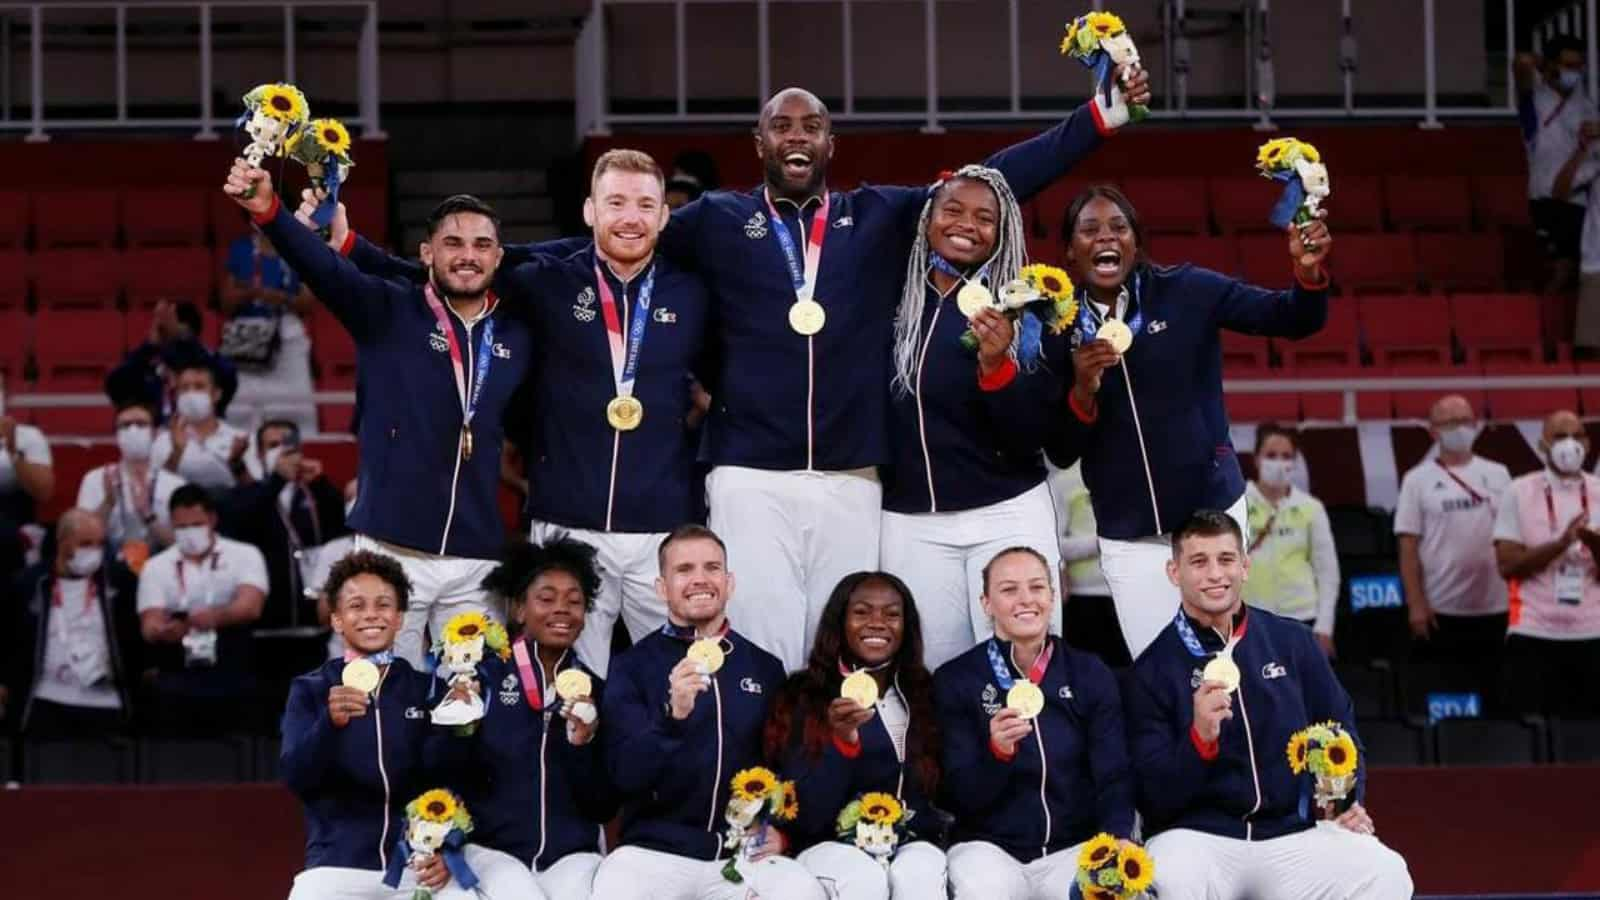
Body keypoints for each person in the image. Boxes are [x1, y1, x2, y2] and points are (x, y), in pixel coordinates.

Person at [329, 148, 713, 676]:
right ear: (589, 210)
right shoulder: (547, 276)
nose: (630, 218)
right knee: (567, 682)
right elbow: (445, 275)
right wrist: (353, 248)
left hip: (661, 524)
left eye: (645, 205)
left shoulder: (693, 292)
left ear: (665, 215)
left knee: (677, 675)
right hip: (566, 525)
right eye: (616, 202)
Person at [223, 162, 535, 667]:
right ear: (426, 254)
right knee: (383, 700)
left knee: (475, 707)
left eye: (482, 245)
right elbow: (323, 270)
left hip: (477, 559)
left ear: (500, 257)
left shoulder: (518, 335)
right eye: (453, 244)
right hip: (391, 551)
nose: (468, 256)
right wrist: (269, 211)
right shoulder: (387, 311)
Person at [1048, 185, 1332, 660]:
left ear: (1137, 243)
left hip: (1210, 513)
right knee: (1159, 671)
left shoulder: (1187, 291)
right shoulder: (1054, 325)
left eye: (1119, 227)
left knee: (1222, 663)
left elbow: (1291, 318)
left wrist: (1307, 271)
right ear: (1069, 251)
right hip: (1127, 528)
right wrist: (1082, 390)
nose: (1106, 238)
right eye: (1090, 229)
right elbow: (1060, 449)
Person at [1125, 510, 1412, 900]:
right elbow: (1152, 795)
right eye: (1199, 562)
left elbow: (1341, 732)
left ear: (1245, 566)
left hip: (1290, 835)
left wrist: (1345, 801)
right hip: (1199, 841)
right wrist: (1199, 740)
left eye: (1226, 560)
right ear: (1174, 573)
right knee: (1169, 878)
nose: (1215, 574)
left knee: (1385, 871)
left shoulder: (1292, 642)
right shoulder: (1152, 670)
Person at [879, 165, 1068, 669]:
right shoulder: (891, 295)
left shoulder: (1027, 307)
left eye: (986, 217)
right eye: (953, 210)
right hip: (910, 520)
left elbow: (1035, 436)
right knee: (929, 671)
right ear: (927, 219)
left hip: (1005, 512)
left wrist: (996, 367)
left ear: (1002, 232)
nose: (967, 224)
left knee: (1024, 662)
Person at [280, 550, 540, 900]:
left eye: (384, 605)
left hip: (416, 867)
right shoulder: (311, 689)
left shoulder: (428, 689)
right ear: (337, 620)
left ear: (400, 618)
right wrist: (329, 724)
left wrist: (460, 729)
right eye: (357, 606)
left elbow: (456, 780)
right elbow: (297, 778)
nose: (371, 614)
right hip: (336, 867)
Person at [590, 525, 823, 900]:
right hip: (654, 853)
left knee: (800, 890)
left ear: (729, 583)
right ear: (661, 588)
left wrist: (781, 830)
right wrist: (672, 715)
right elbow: (623, 776)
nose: (700, 579)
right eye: (684, 570)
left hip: (740, 852)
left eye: (712, 568)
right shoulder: (632, 666)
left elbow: (788, 764)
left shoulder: (764, 667)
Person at [934, 547, 1134, 899]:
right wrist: (996, 753)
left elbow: (1113, 771)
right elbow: (954, 795)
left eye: (1037, 587)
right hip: (989, 850)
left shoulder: (1089, 672)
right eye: (1009, 590)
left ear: (1053, 596)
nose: (1026, 599)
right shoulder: (957, 679)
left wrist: (1117, 834)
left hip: (1073, 847)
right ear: (986, 603)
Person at [766, 572, 947, 899]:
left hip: (909, 839)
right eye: (862, 612)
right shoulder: (804, 693)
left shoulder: (923, 692)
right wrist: (842, 743)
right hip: (829, 844)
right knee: (862, 877)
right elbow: (801, 808)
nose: (877, 623)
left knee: (920, 873)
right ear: (840, 622)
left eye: (892, 614)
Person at [465, 537, 619, 899]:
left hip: (572, 856)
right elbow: (450, 771)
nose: (562, 609)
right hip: (492, 853)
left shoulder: (598, 691)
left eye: (574, 601)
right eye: (546, 599)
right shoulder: (479, 678)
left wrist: (582, 744)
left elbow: (603, 805)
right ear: (519, 609)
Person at [1492, 409, 1600, 717]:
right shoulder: (1519, 491)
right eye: (1560, 437)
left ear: (1588, 444)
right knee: (1530, 728)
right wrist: (1560, 544)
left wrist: (1595, 547)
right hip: (1533, 630)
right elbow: (1507, 565)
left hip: (1593, 630)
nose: (1570, 444)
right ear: (1542, 446)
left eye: (1577, 435)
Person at [135, 484, 268, 734]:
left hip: (231, 665)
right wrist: (161, 631)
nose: (189, 533)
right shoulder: (156, 566)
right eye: (181, 527)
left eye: (196, 525)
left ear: (212, 519)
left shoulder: (245, 555)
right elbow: (149, 622)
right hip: (178, 668)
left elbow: (250, 606)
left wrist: (211, 618)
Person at [1394, 395, 1511, 672]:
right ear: (1433, 430)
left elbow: (1513, 538)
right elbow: (1408, 546)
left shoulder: (1499, 474)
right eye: (1450, 422)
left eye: (1465, 421)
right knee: (1450, 686)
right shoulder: (1416, 480)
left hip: (1497, 606)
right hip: (1441, 608)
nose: (1460, 428)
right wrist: (1416, 604)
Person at [5, 509, 140, 738]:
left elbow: (135, 639)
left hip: (107, 703)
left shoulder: (120, 582)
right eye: (85, 543)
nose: (94, 551)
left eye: (100, 544)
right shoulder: (28, 584)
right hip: (46, 700)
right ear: (62, 541)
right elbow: (8, 637)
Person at [223, 419, 348, 630]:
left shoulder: (314, 491)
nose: (281, 451)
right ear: (260, 455)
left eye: (287, 445)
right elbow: (241, 523)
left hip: (313, 622)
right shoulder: (249, 494)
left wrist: (320, 483)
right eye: (272, 446)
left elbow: (343, 529)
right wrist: (277, 480)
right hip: (263, 622)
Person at [1241, 424, 1339, 657]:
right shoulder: (1237, 505)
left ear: (1294, 462)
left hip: (1302, 620)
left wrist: (1324, 626)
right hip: (1250, 620)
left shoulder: (1310, 508)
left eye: (1286, 456)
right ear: (1256, 459)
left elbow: (1327, 573)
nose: (1279, 463)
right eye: (1271, 455)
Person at [1516, 38, 1600, 298]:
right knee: (1561, 269)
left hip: (1582, 199)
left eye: (1579, 65)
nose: (1575, 71)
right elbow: (1520, 65)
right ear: (1552, 66)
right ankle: (1537, 323)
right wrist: (1545, 67)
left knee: (1579, 272)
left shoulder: (1587, 105)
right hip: (1547, 198)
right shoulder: (1535, 101)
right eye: (1568, 65)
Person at [220, 224, 318, 432]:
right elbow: (226, 303)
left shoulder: (298, 249)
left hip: (287, 334)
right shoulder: (241, 248)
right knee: (241, 410)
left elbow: (309, 303)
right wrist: (252, 294)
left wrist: (280, 297)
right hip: (246, 337)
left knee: (297, 407)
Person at [77, 399, 187, 558]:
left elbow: (183, 546)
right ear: (117, 435)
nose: (133, 430)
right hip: (109, 565)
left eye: (141, 424)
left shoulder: (174, 484)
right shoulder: (95, 479)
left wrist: (148, 516)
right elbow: (81, 538)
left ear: (155, 433)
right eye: (125, 425)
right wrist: (107, 504)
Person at [106, 298, 239, 425]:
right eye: (164, 332)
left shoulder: (210, 368)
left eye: (179, 335)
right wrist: (148, 347)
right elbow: (115, 385)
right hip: (157, 440)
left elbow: (228, 381)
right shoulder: (148, 367)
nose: (173, 342)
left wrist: (186, 342)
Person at [1052, 462, 1128, 668]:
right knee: (1087, 675)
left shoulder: (1128, 472)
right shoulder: (1063, 480)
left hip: (1126, 593)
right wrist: (1101, 542)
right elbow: (1054, 544)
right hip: (1083, 599)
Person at [148, 359, 252, 494]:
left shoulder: (239, 438)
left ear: (216, 394)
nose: (191, 394)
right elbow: (156, 492)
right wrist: (176, 452)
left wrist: (237, 463)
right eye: (184, 388)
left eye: (199, 387)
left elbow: (254, 492)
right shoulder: (163, 442)